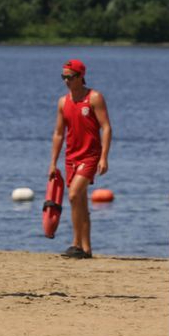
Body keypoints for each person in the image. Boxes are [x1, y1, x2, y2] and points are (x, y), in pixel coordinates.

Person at [48, 58, 112, 259]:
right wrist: (53, 163)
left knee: (74, 195)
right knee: (80, 202)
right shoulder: (63, 102)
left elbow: (106, 127)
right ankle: (86, 248)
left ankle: (75, 243)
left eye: (70, 77)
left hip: (90, 156)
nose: (66, 81)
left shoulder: (94, 98)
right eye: (63, 77)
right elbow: (58, 133)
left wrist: (104, 157)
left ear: (80, 76)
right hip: (70, 158)